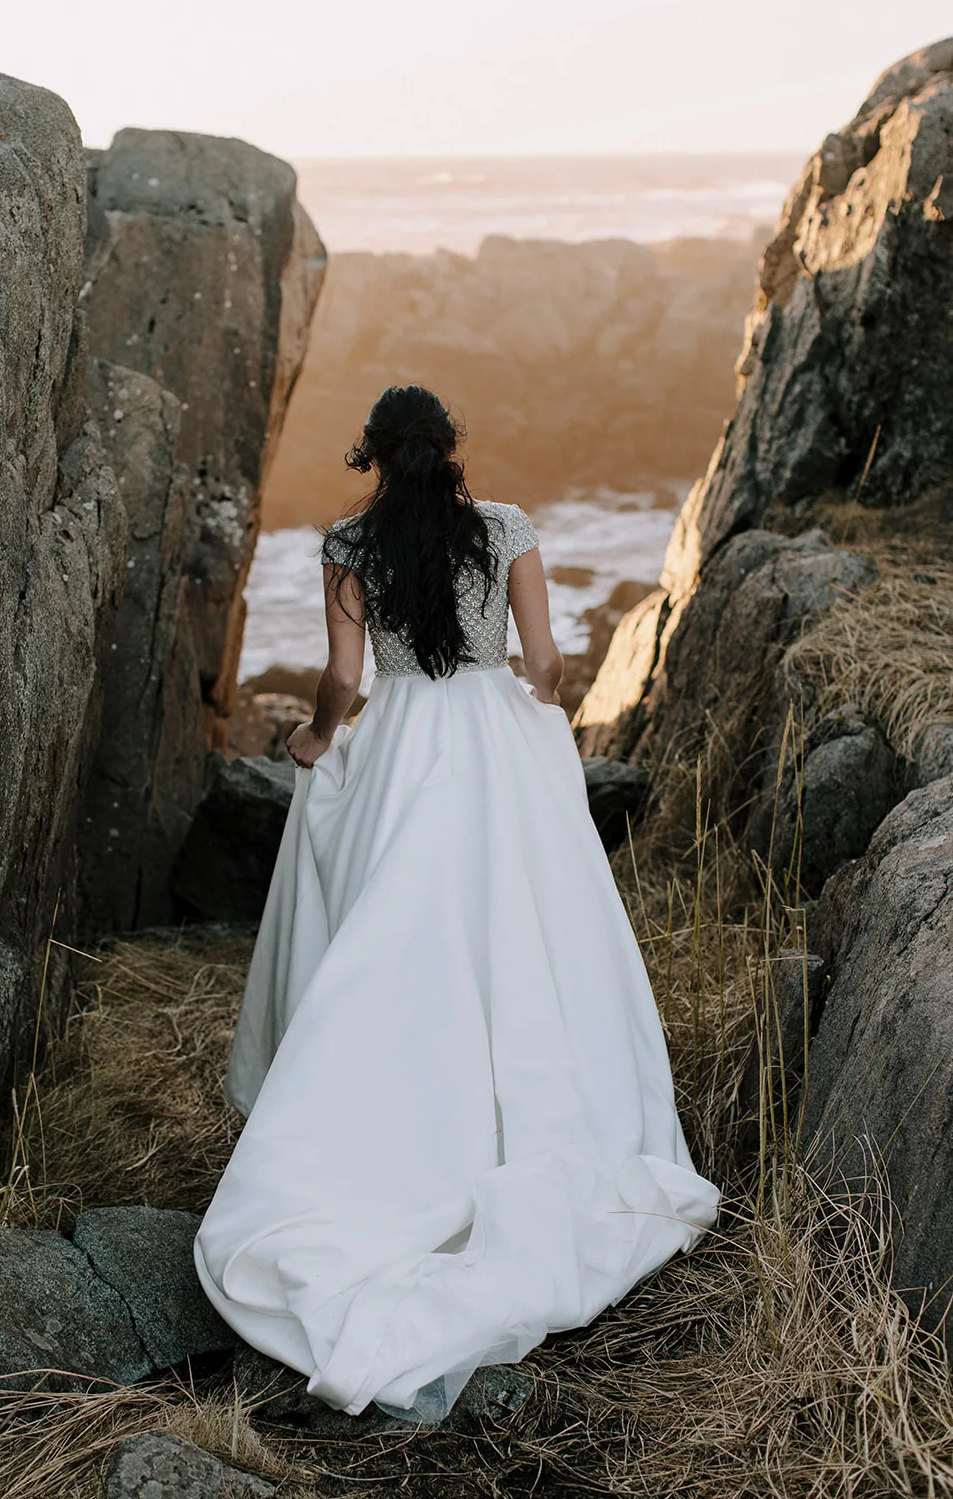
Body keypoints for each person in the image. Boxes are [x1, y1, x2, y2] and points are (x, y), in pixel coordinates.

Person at [194, 385, 718, 1422]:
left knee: (399, 933)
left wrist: (313, 736)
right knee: (521, 929)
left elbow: (345, 679)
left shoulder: (349, 544)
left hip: (403, 747)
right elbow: (548, 662)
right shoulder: (509, 528)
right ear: (450, 449)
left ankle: (389, 1104)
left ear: (374, 457)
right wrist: (538, 720)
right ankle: (509, 1108)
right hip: (491, 740)